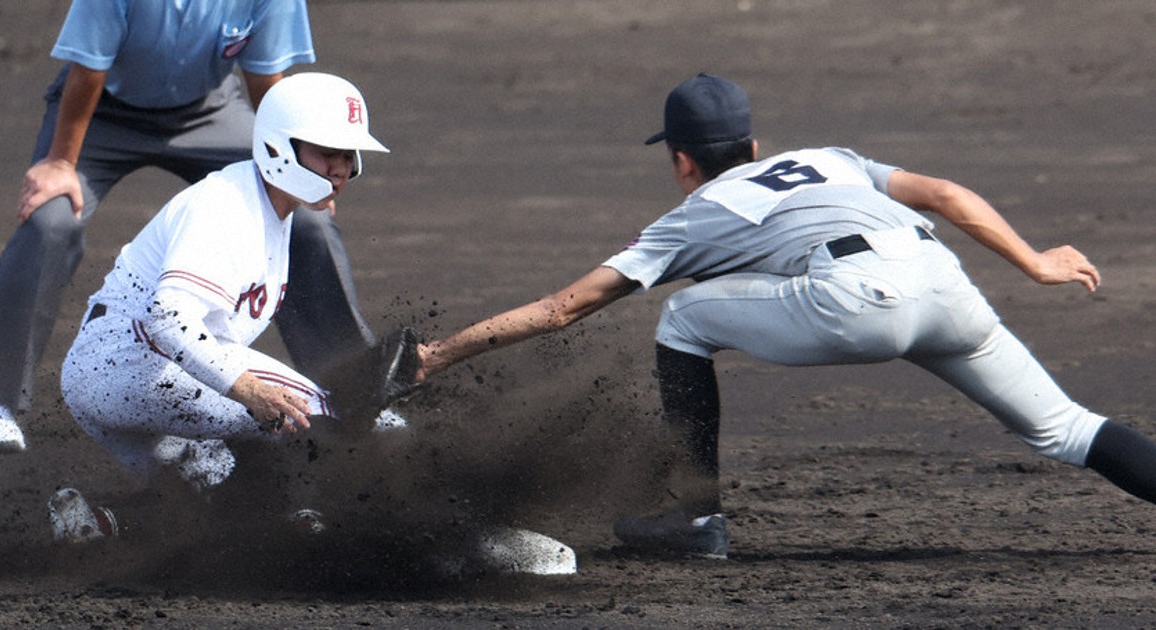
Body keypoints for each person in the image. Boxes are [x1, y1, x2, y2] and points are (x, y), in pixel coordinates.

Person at [416, 73, 1156, 559]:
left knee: (683, 319)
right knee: (1066, 427)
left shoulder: (694, 213)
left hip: (856, 300)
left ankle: (693, 517)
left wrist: (436, 354)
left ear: (681, 161)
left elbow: (561, 308)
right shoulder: (827, 158)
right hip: (943, 280)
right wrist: (1034, 262)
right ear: (754, 145)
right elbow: (941, 192)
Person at [46, 73, 578, 577]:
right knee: (336, 417)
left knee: (221, 503)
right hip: (132, 364)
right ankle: (460, 540)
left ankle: (99, 521)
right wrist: (248, 390)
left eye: (349, 156)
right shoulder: (225, 208)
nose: (343, 168)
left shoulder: (271, 209)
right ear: (280, 147)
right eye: (328, 153)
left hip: (111, 378)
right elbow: (168, 318)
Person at [0, 0, 383, 453]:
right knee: (49, 222)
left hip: (210, 112)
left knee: (309, 225)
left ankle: (352, 388)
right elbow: (87, 68)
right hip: (102, 108)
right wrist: (61, 162)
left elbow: (269, 85)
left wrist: (305, 177)